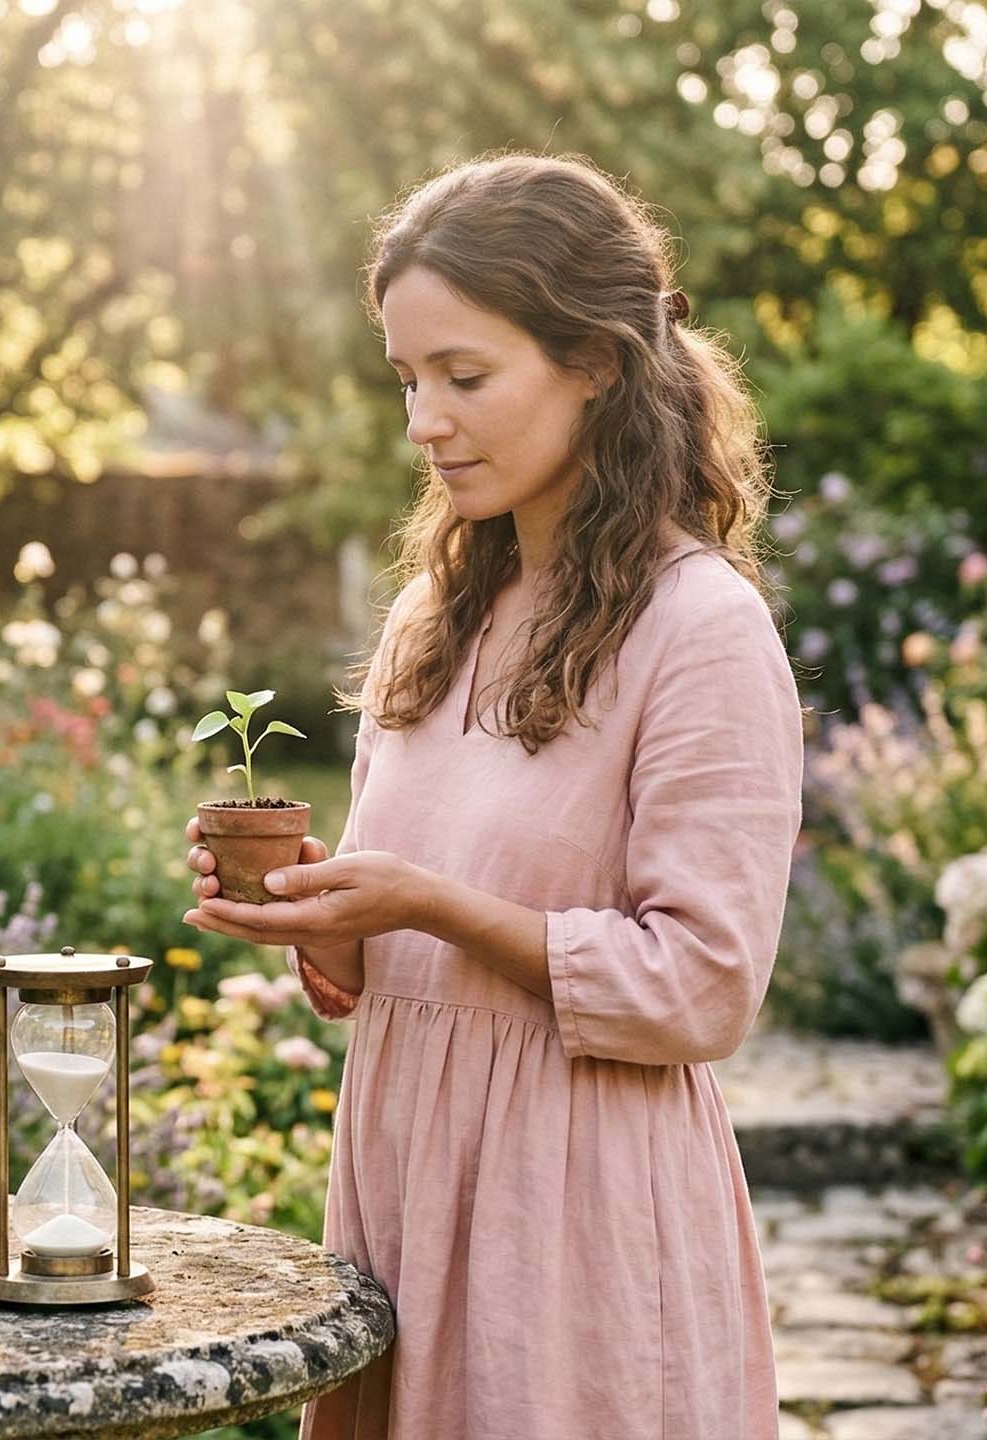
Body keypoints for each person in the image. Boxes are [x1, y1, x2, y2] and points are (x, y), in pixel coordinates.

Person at [180, 152, 803, 1440]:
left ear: (599, 363)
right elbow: (393, 945)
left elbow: (703, 985)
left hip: (571, 1214)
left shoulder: (701, 630)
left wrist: (437, 904)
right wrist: (328, 920)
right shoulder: (433, 619)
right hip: (404, 1188)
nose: (425, 422)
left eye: (466, 377)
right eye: (409, 380)